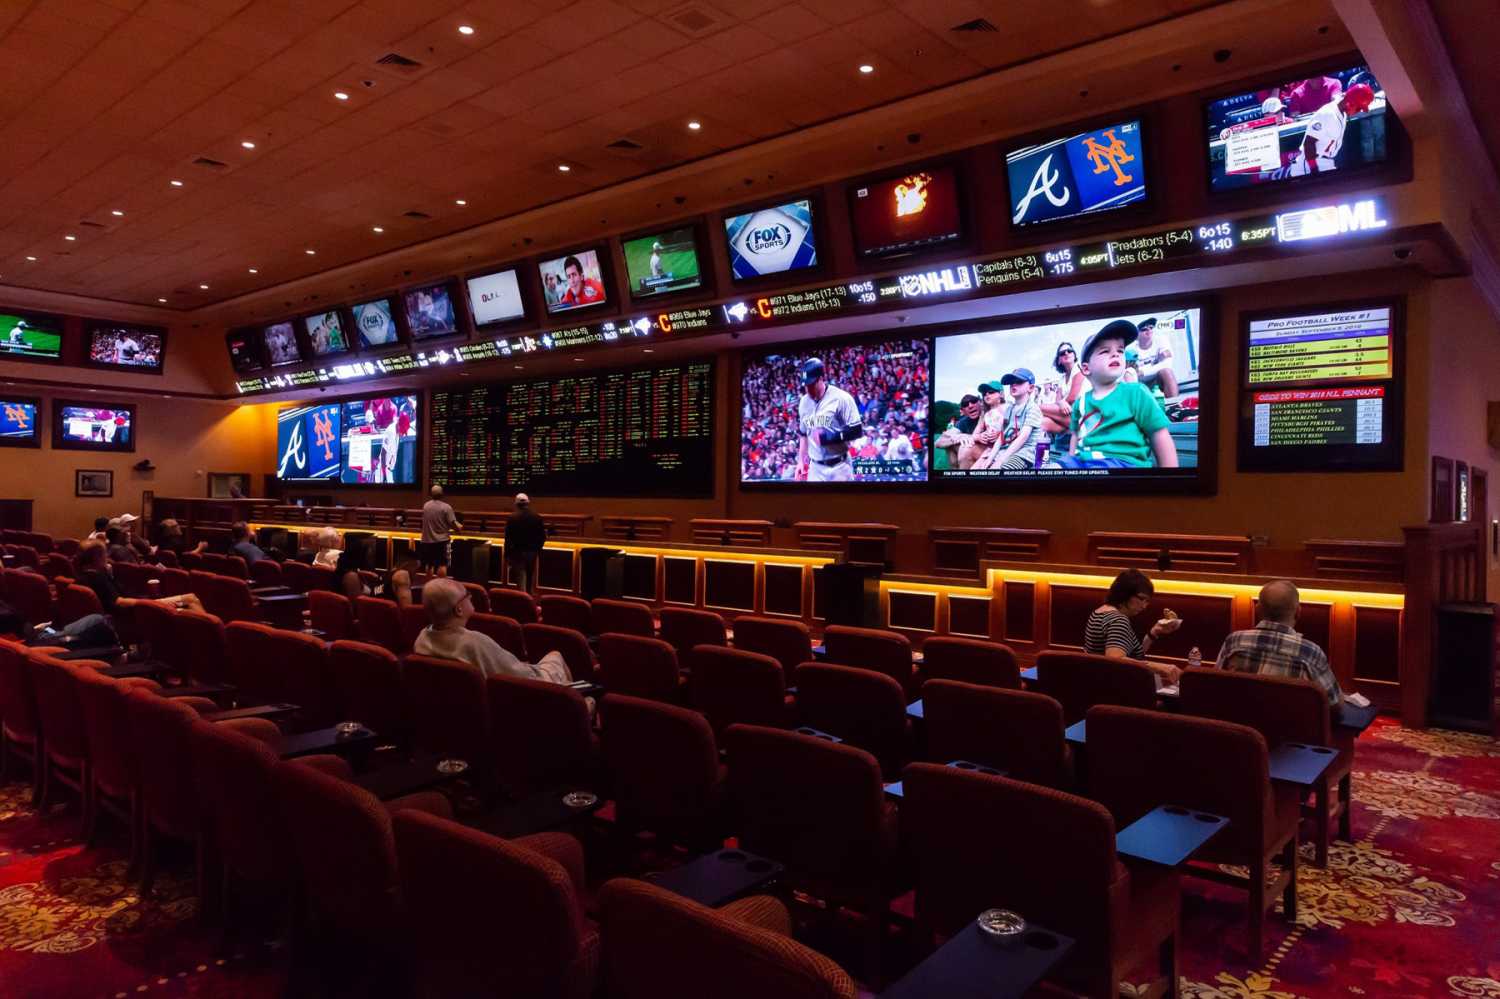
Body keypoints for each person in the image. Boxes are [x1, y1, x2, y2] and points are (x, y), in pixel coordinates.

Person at [1056, 320, 1178, 469]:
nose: (1115, 354)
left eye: (1120, 350)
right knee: (1049, 471)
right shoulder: (1081, 403)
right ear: (1086, 369)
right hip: (1083, 462)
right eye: (1105, 351)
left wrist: (1170, 480)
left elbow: (1159, 435)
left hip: (1122, 463)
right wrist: (1070, 465)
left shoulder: (1136, 393)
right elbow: (1075, 436)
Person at [413, 578, 572, 683]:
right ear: (459, 609)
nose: (470, 597)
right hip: (513, 703)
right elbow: (524, 678)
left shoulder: (422, 639)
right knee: (555, 656)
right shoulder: (474, 643)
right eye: (467, 595)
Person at [1216, 580, 1344, 706]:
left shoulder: (1234, 641)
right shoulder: (1311, 653)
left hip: (1241, 723)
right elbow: (1336, 706)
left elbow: (1216, 685)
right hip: (1291, 726)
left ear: (1257, 609)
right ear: (1298, 612)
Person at [1082, 568, 1183, 686]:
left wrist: (1154, 632)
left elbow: (1132, 656)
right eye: (1142, 599)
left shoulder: (1099, 612)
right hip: (1116, 690)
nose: (1144, 606)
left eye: (1147, 601)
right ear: (1125, 593)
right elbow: (1116, 660)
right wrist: (1160, 667)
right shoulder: (1118, 620)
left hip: (1098, 684)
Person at [74, 540, 204, 615]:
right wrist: (150, 603)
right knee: (190, 599)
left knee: (187, 606)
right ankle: (214, 639)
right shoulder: (98, 577)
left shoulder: (81, 576)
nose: (107, 558)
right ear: (97, 557)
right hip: (137, 611)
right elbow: (120, 602)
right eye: (104, 555)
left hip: (134, 608)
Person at [796, 357, 863, 482]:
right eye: (806, 385)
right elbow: (803, 434)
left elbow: (857, 430)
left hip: (840, 466)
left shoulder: (841, 398)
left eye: (811, 384)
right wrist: (800, 461)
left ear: (821, 379)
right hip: (815, 468)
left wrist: (829, 437)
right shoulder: (803, 403)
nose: (808, 389)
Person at [1288, 82, 1375, 176]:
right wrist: (1314, 171)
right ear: (1350, 103)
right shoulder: (1327, 114)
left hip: (1326, 162)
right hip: (1309, 165)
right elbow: (1309, 143)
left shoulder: (1342, 112)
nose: (1359, 111)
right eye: (1358, 108)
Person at [972, 368, 1047, 471]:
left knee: (1000, 470)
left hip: (1025, 453)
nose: (1013, 385)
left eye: (1019, 382)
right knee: (976, 470)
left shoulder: (1032, 408)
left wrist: (1000, 460)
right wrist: (990, 458)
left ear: (1031, 388)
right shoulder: (1009, 409)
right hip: (1008, 449)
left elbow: (1023, 437)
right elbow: (1001, 437)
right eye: (1011, 383)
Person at [1040, 341, 1088, 437]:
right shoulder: (1062, 378)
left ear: (1074, 355)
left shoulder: (1078, 369)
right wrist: (1061, 403)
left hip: (1082, 414)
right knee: (1041, 422)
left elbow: (1072, 398)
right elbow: (1058, 400)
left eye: (1069, 351)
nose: (1066, 353)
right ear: (1059, 360)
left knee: (1038, 408)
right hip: (1068, 415)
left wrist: (1060, 403)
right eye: (1062, 353)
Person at [505, 493, 545, 594]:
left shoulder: (512, 518)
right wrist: (536, 550)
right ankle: (530, 603)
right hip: (532, 553)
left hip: (517, 553)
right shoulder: (537, 517)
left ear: (516, 504)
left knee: (520, 582)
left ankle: (522, 605)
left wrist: (507, 555)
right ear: (528, 503)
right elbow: (542, 537)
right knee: (530, 581)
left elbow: (508, 539)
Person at [1131, 318, 1179, 402]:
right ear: (1136, 336)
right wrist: (1156, 363)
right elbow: (1133, 374)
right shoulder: (1131, 350)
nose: (1149, 330)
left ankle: (1173, 404)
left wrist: (1143, 371)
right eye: (1144, 329)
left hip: (1157, 381)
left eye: (1151, 327)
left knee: (1167, 372)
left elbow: (1167, 365)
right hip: (1141, 385)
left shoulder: (1161, 340)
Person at [420, 484, 463, 577]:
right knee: (442, 565)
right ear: (442, 494)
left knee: (429, 564)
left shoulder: (426, 506)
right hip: (442, 541)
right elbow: (453, 523)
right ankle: (441, 587)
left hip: (427, 541)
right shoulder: (446, 507)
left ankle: (428, 586)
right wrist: (458, 529)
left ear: (431, 494)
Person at [934, 393, 983, 470]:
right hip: (970, 454)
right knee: (950, 446)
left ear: (980, 403)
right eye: (965, 404)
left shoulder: (988, 415)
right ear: (963, 410)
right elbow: (938, 442)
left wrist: (968, 437)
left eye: (973, 401)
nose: (970, 406)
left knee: (964, 447)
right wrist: (958, 437)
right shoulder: (963, 422)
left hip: (987, 452)